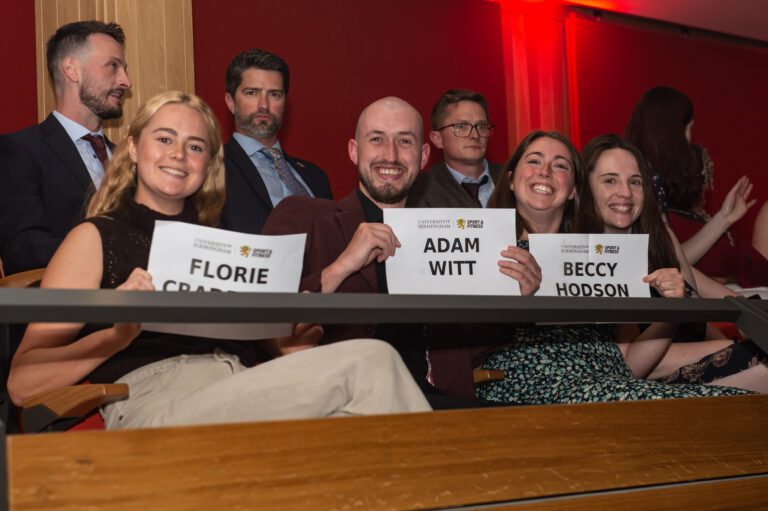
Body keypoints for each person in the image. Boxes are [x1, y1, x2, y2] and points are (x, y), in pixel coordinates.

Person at [7, 91, 431, 429]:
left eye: (195, 146)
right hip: (155, 402)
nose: (179, 154)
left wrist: (293, 338)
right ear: (134, 148)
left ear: (207, 164)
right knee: (372, 361)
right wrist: (117, 334)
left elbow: (283, 349)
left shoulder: (227, 246)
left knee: (360, 420)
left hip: (241, 385)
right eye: (165, 139)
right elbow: (22, 385)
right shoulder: (95, 237)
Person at [262, 97, 540, 407]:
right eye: (377, 139)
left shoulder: (451, 238)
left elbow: (473, 346)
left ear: (422, 156)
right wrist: (342, 265)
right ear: (354, 151)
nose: (391, 156)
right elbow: (264, 322)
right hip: (342, 403)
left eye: (404, 141)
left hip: (435, 403)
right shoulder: (305, 215)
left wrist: (512, 298)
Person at [475, 130, 753, 405]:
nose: (545, 171)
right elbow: (460, 341)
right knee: (733, 407)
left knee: (737, 402)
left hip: (612, 384)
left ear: (573, 189)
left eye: (560, 165)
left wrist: (671, 310)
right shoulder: (488, 250)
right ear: (510, 180)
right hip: (536, 386)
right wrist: (512, 299)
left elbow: (629, 361)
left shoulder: (599, 258)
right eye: (534, 161)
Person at [578, 134, 766, 392]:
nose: (625, 192)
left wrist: (751, 323)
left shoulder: (658, 236)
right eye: (610, 180)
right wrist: (728, 349)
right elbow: (625, 363)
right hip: (645, 380)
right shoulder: (585, 259)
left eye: (635, 182)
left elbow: (700, 298)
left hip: (698, 358)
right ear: (584, 189)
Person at [0, 20, 131, 275]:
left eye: (124, 69)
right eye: (113, 66)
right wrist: (112, 257)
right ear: (72, 70)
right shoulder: (20, 150)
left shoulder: (129, 160)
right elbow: (23, 249)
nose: (126, 81)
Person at [625, 86, 768, 287]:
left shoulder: (662, 189)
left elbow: (675, 260)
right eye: (688, 128)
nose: (690, 139)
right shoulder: (641, 187)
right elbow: (667, 264)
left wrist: (725, 218)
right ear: (672, 131)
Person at [222, 48, 332, 234]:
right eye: (252, 92)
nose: (264, 105)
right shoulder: (211, 167)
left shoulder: (316, 176)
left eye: (274, 94)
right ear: (231, 102)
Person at [407, 89, 501, 208]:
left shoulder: (512, 179)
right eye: (461, 126)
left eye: (481, 126)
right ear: (437, 139)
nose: (475, 135)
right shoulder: (418, 190)